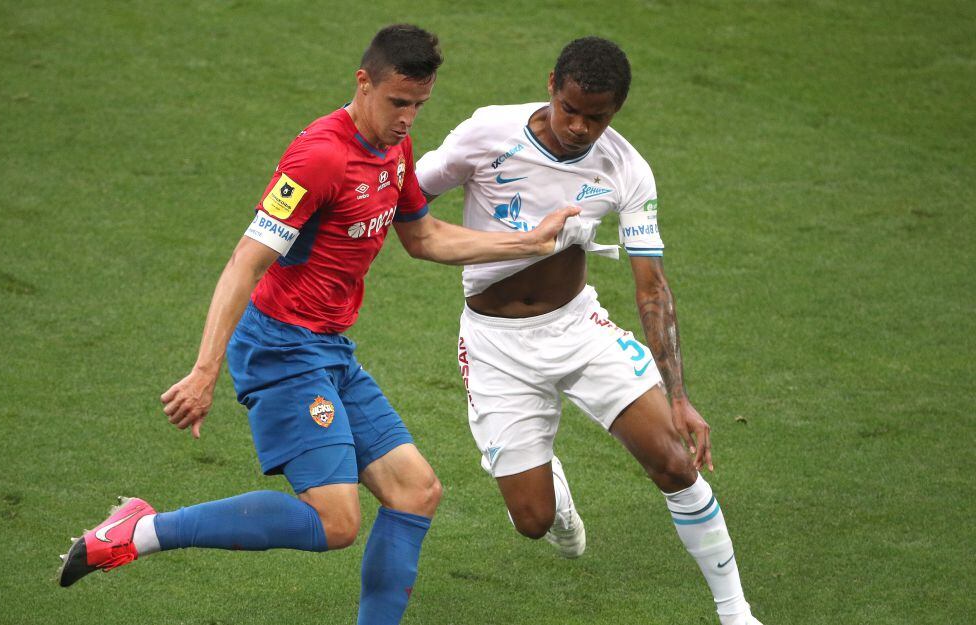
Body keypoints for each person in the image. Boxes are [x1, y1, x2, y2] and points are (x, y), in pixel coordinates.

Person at [57, 25, 580, 625]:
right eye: (397, 102)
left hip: (329, 348)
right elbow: (244, 263)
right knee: (336, 522)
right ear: (364, 83)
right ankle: (139, 531)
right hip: (280, 347)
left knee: (416, 491)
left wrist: (528, 243)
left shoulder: (394, 150)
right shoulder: (319, 156)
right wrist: (204, 372)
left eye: (419, 105)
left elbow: (425, 236)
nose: (408, 118)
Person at [415, 37, 763, 625]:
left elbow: (652, 288)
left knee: (676, 462)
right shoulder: (487, 133)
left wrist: (679, 397)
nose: (579, 126)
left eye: (596, 117)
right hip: (495, 345)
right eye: (570, 109)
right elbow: (408, 199)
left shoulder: (625, 168)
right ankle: (551, 486)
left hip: (577, 329)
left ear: (616, 110)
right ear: (552, 84)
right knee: (532, 521)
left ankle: (736, 613)